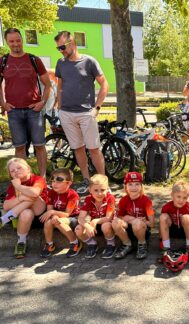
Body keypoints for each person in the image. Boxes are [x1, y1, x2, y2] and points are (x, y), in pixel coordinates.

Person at [54, 31, 108, 194]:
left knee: (94, 149)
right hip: (67, 114)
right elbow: (60, 86)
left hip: (86, 113)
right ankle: (87, 180)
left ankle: (102, 183)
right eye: (58, 48)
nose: (61, 50)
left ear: (72, 43)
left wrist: (97, 107)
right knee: (77, 148)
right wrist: (59, 107)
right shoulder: (60, 63)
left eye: (62, 47)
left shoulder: (89, 61)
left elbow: (104, 84)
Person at [0, 28, 51, 177]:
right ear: (7, 42)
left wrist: (42, 102)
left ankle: (42, 179)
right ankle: (23, 179)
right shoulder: (3, 61)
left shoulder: (34, 60)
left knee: (40, 146)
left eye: (18, 40)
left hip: (34, 111)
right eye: (11, 41)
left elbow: (48, 85)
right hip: (14, 111)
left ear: (21, 40)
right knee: (19, 147)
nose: (15, 44)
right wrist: (3, 103)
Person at [1, 158, 48, 258]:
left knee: (32, 195)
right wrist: (21, 197)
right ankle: (21, 242)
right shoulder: (13, 184)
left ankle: (4, 220)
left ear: (28, 168)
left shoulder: (38, 179)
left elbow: (35, 193)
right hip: (24, 218)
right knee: (26, 211)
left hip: (41, 215)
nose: (16, 171)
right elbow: (6, 206)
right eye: (12, 171)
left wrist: (19, 187)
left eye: (19, 168)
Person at [39, 168, 81, 258]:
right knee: (48, 222)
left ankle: (75, 243)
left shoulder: (73, 195)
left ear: (68, 183)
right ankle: (49, 244)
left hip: (74, 218)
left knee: (59, 222)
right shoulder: (51, 193)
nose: (54, 184)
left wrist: (53, 213)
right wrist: (53, 215)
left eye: (59, 181)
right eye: (53, 181)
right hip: (57, 216)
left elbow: (67, 214)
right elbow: (50, 208)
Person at [112, 172, 154, 260]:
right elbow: (120, 217)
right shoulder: (123, 200)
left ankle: (142, 244)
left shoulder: (146, 201)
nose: (133, 187)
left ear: (141, 186)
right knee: (115, 222)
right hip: (127, 230)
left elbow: (152, 224)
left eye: (137, 184)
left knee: (137, 223)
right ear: (126, 186)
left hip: (142, 230)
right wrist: (128, 218)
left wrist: (139, 220)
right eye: (130, 184)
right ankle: (127, 244)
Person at [74, 174, 116, 259]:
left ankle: (111, 244)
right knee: (78, 229)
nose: (99, 193)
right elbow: (81, 218)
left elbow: (109, 218)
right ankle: (92, 244)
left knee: (106, 226)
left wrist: (95, 221)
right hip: (94, 228)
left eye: (103, 190)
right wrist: (87, 225)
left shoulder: (110, 198)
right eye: (96, 190)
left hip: (107, 225)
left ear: (107, 189)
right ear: (90, 190)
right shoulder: (88, 199)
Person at [159, 180, 189, 259]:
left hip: (185, 232)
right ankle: (166, 248)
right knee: (163, 217)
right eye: (178, 196)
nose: (181, 200)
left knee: (186, 217)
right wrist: (160, 239)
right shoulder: (166, 207)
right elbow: (162, 224)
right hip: (172, 231)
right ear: (172, 195)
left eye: (184, 198)